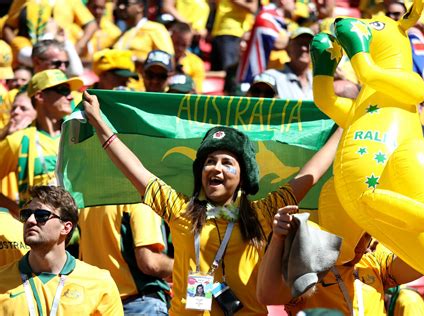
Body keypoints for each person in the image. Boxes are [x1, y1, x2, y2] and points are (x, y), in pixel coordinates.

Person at [82, 89, 342, 315]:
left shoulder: (262, 212)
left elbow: (311, 173)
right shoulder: (178, 209)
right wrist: (99, 123)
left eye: (227, 162)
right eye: (209, 161)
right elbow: (134, 169)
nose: (215, 168)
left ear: (243, 177)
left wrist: (344, 126)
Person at [257, 187, 424, 315]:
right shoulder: (308, 264)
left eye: (367, 235)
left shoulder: (375, 263)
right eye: (355, 235)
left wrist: (423, 209)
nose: (363, 246)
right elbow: (267, 297)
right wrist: (278, 239)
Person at [0, 185, 123, 314]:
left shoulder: (99, 282)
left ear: (66, 227)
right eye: (26, 214)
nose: (30, 220)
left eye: (41, 215)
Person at [0, 69, 83, 211]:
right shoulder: (18, 141)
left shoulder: (80, 135)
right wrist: (19, 211)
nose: (70, 97)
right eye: (63, 90)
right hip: (39, 229)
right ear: (40, 96)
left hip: (79, 228)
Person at [261, 27, 315, 100]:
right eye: (299, 44)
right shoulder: (270, 78)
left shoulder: (319, 81)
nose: (304, 48)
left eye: (308, 44)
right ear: (288, 48)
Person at [169, 22, 205, 93]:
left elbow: (197, 92)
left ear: (190, 43)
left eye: (184, 45)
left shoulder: (196, 62)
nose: (179, 48)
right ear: (170, 39)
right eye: (176, 43)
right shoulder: (161, 58)